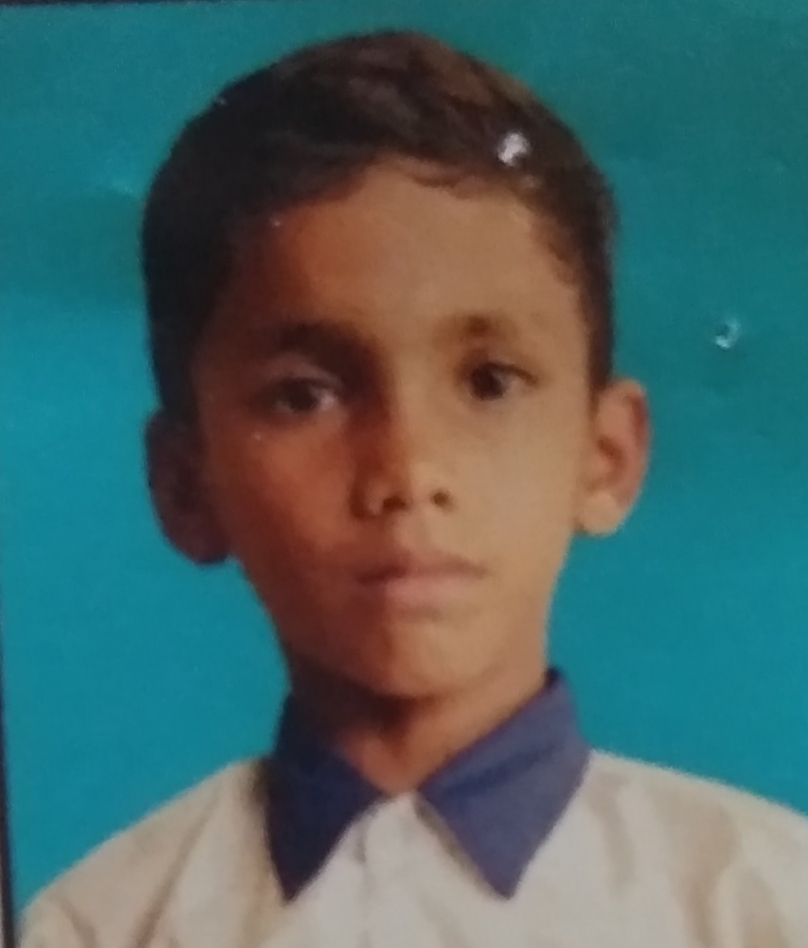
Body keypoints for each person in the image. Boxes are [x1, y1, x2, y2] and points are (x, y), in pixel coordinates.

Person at [21, 29, 808, 948]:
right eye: (304, 395)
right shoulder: (95, 925)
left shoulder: (765, 903)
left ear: (606, 456)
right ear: (185, 484)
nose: (407, 471)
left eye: (490, 382)